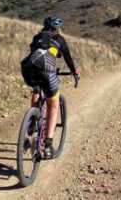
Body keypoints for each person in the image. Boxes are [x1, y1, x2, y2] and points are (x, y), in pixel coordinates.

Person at [20, 16, 80, 159]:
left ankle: (31, 125)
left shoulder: (37, 37)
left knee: (36, 88)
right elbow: (67, 58)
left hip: (27, 67)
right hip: (46, 68)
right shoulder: (60, 39)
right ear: (57, 29)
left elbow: (35, 49)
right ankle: (47, 145)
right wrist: (74, 72)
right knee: (53, 104)